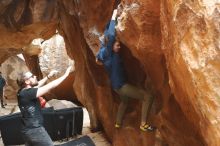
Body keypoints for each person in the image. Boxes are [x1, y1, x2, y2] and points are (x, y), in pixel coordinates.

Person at [96, 9, 155, 132]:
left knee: (125, 102)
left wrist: (111, 23)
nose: (119, 46)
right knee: (147, 96)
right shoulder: (109, 52)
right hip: (122, 86)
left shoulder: (104, 53)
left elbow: (107, 34)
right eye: (117, 45)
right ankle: (143, 124)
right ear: (111, 46)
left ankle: (117, 123)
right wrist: (113, 15)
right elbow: (110, 35)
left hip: (116, 87)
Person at [16, 67, 71, 146]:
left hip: (27, 130)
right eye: (32, 76)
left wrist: (48, 76)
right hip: (35, 131)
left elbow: (37, 85)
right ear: (27, 81)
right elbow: (50, 86)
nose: (35, 77)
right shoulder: (28, 93)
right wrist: (65, 75)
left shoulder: (21, 92)